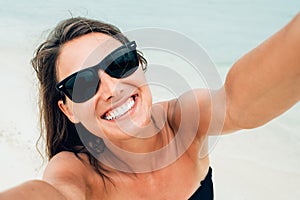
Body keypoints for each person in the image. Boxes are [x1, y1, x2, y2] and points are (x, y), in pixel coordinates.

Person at [0, 13, 299, 200]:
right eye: (83, 83)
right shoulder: (76, 172)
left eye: (120, 63)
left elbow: (236, 102)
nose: (113, 88)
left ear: (139, 66)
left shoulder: (183, 123)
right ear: (68, 109)